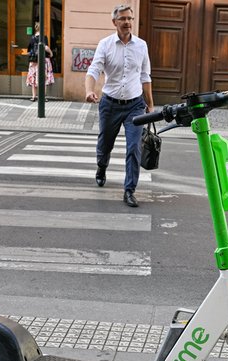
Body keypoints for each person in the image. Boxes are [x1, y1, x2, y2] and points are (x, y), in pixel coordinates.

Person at [85, 4, 154, 208]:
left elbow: (145, 76)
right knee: (105, 143)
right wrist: (89, 90)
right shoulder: (105, 44)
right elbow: (94, 69)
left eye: (130, 19)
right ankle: (101, 166)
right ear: (114, 22)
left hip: (135, 105)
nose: (127, 22)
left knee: (134, 147)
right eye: (123, 19)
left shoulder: (141, 45)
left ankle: (129, 190)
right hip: (110, 104)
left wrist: (150, 104)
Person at [27, 23, 54, 102]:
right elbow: (45, 47)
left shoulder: (32, 38)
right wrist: (51, 53)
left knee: (34, 78)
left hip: (34, 61)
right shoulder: (44, 37)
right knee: (43, 78)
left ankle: (33, 96)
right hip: (43, 60)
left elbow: (28, 51)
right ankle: (43, 96)